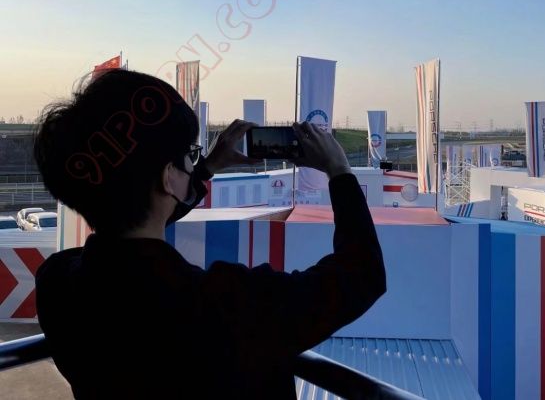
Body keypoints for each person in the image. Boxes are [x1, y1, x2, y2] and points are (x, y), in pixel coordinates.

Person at [33, 69, 386, 399]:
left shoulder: (57, 283)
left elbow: (130, 229)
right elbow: (362, 274)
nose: (193, 162)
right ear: (168, 178)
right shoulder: (225, 305)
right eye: (189, 155)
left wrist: (203, 169)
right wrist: (339, 171)